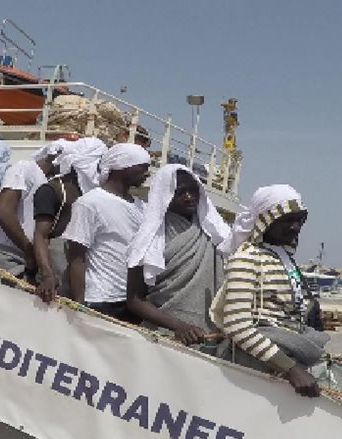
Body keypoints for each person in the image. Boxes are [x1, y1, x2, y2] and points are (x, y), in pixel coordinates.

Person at [216, 185, 326, 398]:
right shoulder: (246, 258)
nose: (295, 227)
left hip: (285, 356)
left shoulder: (284, 259)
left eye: (299, 220)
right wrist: (291, 369)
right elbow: (237, 326)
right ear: (266, 220)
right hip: (257, 366)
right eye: (286, 220)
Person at [124, 164, 231, 343]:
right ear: (165, 195)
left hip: (210, 336)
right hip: (164, 336)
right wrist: (179, 326)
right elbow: (134, 300)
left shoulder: (216, 233)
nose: (189, 198)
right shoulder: (148, 239)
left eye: (193, 191)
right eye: (180, 192)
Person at [63, 143, 150, 321]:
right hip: (98, 300)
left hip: (131, 301)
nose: (147, 173)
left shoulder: (142, 207)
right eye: (142, 167)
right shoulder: (90, 203)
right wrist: (78, 305)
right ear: (122, 167)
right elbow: (76, 257)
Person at [32, 137, 107, 302]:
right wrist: (48, 275)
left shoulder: (93, 195)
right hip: (57, 270)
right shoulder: (52, 190)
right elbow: (41, 235)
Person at [0, 140, 70, 280]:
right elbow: (4, 211)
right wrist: (29, 249)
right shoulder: (24, 168)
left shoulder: (47, 181)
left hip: (26, 257)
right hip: (8, 256)